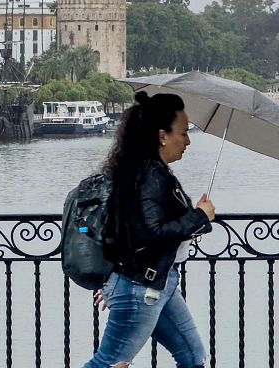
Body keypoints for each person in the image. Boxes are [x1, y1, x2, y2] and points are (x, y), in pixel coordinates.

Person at [83, 91, 215, 368]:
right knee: (108, 364)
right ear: (162, 136)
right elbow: (150, 233)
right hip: (141, 286)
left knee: (193, 357)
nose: (188, 141)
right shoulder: (150, 175)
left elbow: (128, 230)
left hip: (157, 281)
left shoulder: (145, 171)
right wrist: (200, 217)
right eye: (183, 133)